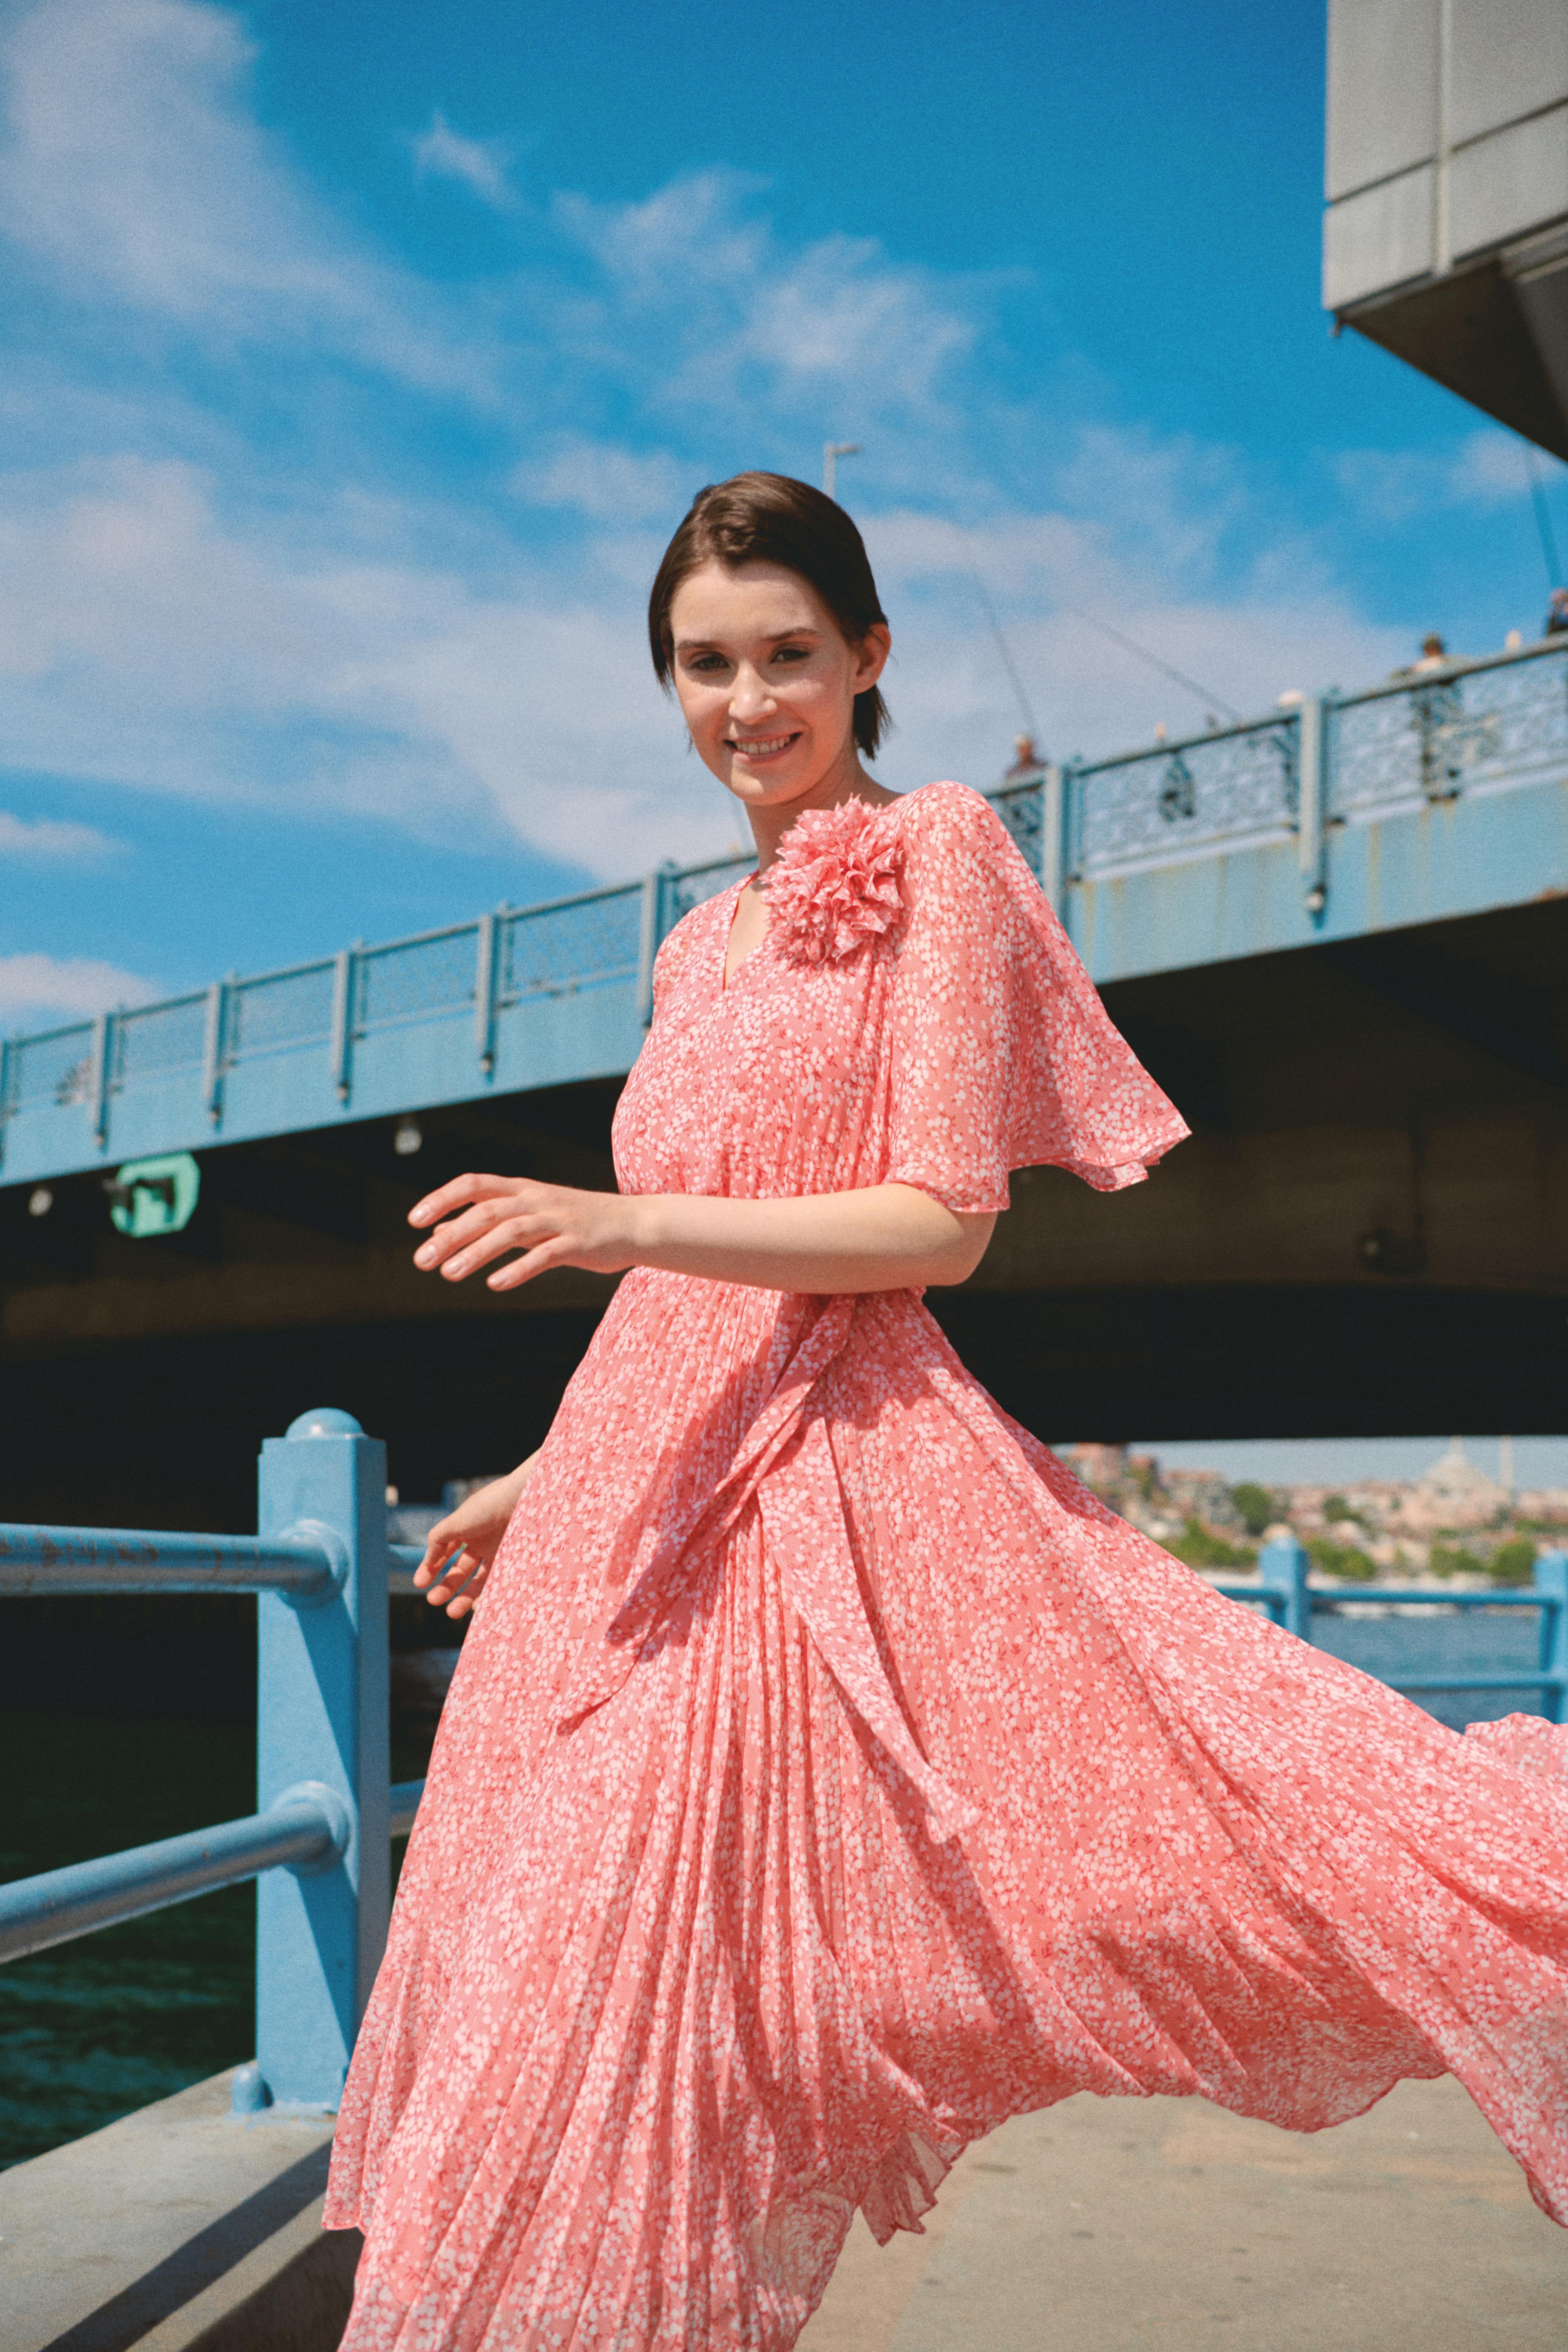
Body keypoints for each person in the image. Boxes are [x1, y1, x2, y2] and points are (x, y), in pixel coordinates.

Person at [324, 474, 1568, 2349]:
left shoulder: (948, 847)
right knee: (560, 2007)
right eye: (702, 663)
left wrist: (616, 1214)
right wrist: (533, 1475)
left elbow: (942, 1222)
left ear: (869, 656)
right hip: (631, 1530)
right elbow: (678, 1307)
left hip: (825, 1492)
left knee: (1226, 1822)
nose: (745, 701)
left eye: (787, 655)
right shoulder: (693, 942)